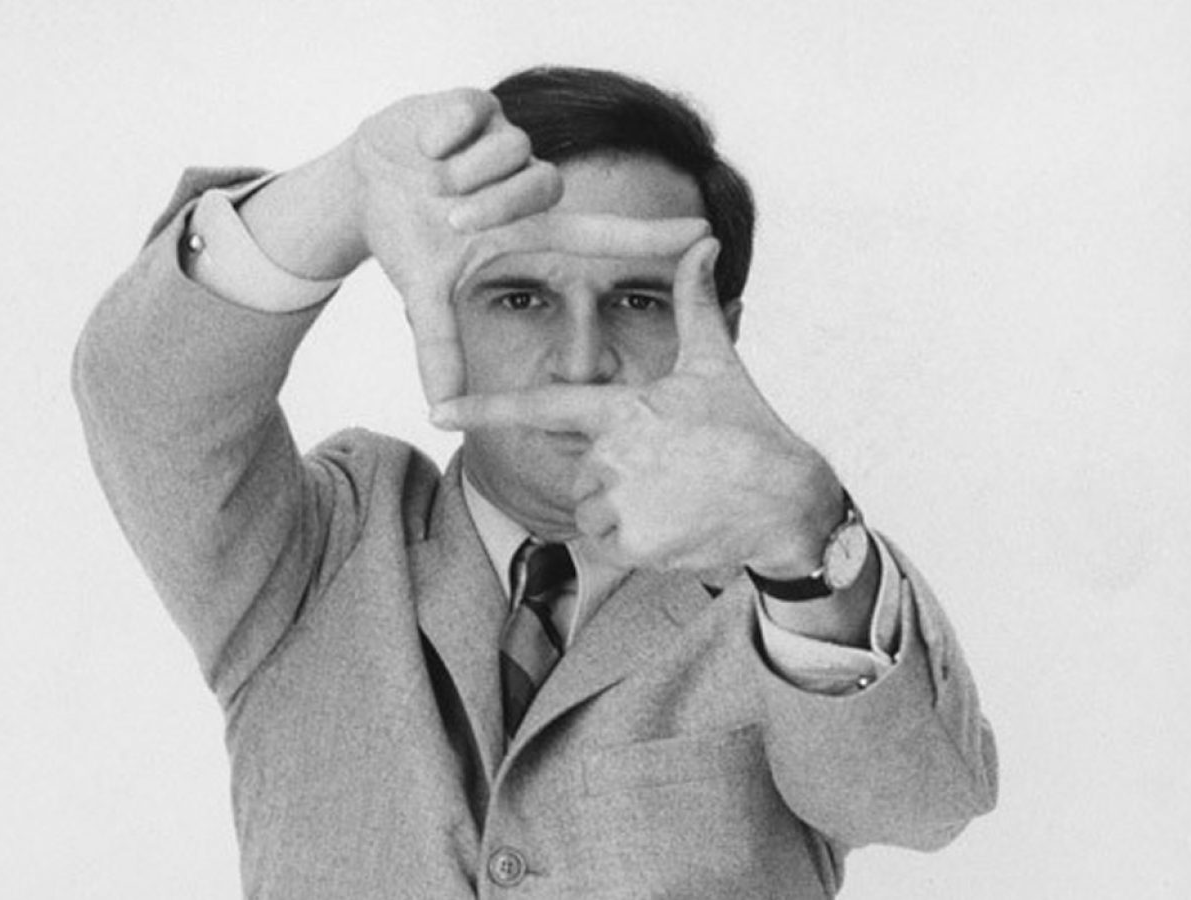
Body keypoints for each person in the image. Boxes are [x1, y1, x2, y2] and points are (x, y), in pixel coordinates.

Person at [73, 66, 997, 898]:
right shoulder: (321, 550)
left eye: (639, 299)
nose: (581, 360)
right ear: (437, 310)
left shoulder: (791, 587)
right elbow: (146, 393)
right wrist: (345, 192)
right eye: (521, 298)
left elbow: (920, 805)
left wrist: (803, 539)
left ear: (726, 331)